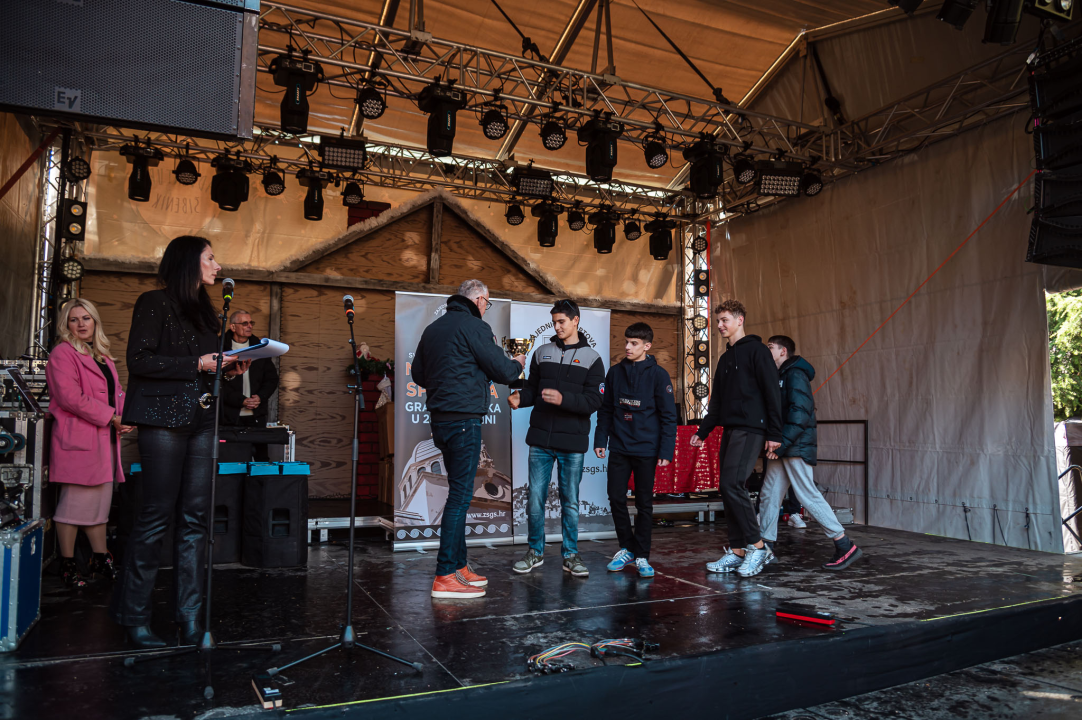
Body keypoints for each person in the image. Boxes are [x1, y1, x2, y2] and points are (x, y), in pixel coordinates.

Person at [109, 236, 249, 648]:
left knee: (195, 519)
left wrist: (227, 369)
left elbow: (205, 371)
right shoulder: (153, 302)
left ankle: (189, 616)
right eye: (210, 258)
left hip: (203, 419)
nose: (217, 266)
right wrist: (198, 364)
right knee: (154, 517)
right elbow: (139, 360)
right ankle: (134, 617)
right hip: (163, 420)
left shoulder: (208, 315)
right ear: (190, 262)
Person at [412, 279, 525, 599]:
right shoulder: (475, 327)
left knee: (456, 494)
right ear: (478, 300)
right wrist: (517, 363)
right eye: (487, 303)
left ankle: (459, 566)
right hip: (464, 421)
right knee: (460, 498)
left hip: (441, 423)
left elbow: (419, 375)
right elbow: (504, 371)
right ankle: (445, 574)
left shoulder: (433, 329)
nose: (485, 308)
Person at [508, 299, 605, 578]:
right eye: (554, 322)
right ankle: (535, 552)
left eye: (562, 321)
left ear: (576, 320)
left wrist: (564, 399)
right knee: (535, 500)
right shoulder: (541, 352)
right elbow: (533, 389)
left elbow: (594, 400)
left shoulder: (592, 358)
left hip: (572, 444)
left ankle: (571, 555)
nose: (557, 326)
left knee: (570, 502)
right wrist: (520, 398)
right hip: (540, 440)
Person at [46, 298, 134, 589]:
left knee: (99, 504)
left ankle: (99, 558)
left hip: (103, 438)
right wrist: (112, 417)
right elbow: (71, 398)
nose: (81, 324)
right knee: (72, 505)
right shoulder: (62, 353)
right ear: (66, 324)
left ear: (95, 322)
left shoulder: (102, 356)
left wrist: (126, 415)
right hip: (80, 438)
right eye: (74, 320)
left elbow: (115, 393)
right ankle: (67, 563)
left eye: (86, 318)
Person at [692, 299, 782, 578]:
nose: (720, 325)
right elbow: (716, 401)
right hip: (730, 429)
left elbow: (772, 393)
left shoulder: (757, 350)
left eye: (725, 320)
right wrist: (702, 431)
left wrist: (775, 433)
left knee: (733, 484)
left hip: (752, 428)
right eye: (718, 321)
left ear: (740, 320)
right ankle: (737, 551)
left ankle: (758, 547)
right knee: (726, 487)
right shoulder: (725, 358)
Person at [761, 335, 862, 570]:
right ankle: (765, 547)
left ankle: (844, 545)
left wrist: (782, 443)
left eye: (770, 348)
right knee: (769, 494)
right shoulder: (781, 375)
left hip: (792, 445)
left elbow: (800, 412)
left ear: (783, 351)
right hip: (785, 446)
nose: (767, 352)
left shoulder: (795, 374)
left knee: (807, 494)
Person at [594, 322, 677, 578]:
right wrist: (600, 440)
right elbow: (606, 409)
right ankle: (627, 548)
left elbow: (668, 417)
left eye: (634, 343)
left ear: (647, 346)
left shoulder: (659, 375)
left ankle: (642, 555)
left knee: (644, 504)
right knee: (615, 497)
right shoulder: (615, 373)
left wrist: (665, 451)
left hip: (647, 449)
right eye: (626, 342)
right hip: (619, 446)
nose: (627, 347)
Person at [220, 309, 279, 461]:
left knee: (260, 460)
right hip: (228, 417)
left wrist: (260, 397)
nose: (249, 326)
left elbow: (271, 379)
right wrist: (240, 401)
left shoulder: (259, 346)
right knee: (230, 460)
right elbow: (215, 382)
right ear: (233, 327)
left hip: (256, 416)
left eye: (251, 323)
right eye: (244, 323)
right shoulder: (219, 346)